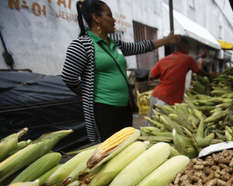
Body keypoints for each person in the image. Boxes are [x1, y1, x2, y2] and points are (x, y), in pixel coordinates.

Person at [62, 0, 179, 142]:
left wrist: (165, 40)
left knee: (126, 146)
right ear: (96, 18)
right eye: (109, 15)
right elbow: (69, 78)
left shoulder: (114, 43)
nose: (114, 20)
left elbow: (138, 47)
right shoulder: (81, 45)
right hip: (104, 110)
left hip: (124, 107)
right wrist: (92, 95)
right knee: (109, 151)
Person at [147, 37, 209, 117]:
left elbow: (151, 76)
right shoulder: (188, 59)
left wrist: (166, 74)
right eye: (188, 47)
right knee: (162, 127)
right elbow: (199, 72)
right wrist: (210, 75)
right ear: (184, 47)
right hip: (167, 99)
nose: (189, 50)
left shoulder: (164, 59)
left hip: (155, 96)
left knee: (151, 124)